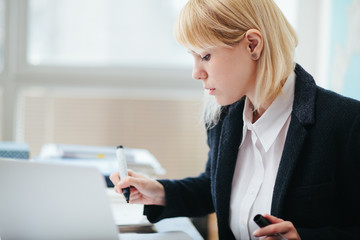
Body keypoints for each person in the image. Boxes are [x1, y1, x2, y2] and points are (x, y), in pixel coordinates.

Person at [110, 0, 360, 239]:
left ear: (252, 45)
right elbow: (216, 186)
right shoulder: (224, 116)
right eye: (192, 56)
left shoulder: (347, 123)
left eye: (206, 56)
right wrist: (161, 193)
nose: (196, 73)